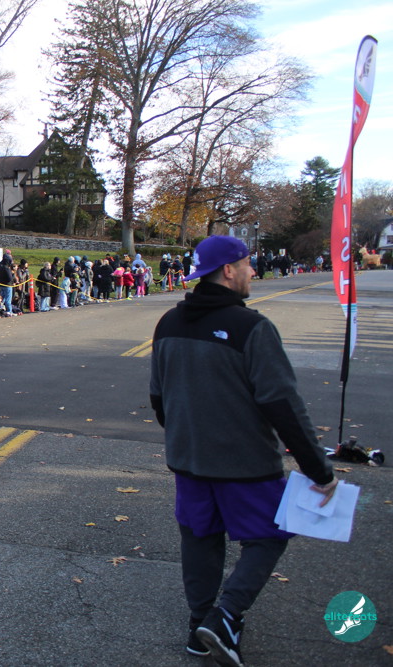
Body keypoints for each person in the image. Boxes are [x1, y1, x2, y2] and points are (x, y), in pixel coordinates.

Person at [149, 235, 336, 667]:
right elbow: (283, 405)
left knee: (200, 537)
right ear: (229, 270)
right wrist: (319, 470)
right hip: (245, 462)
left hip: (188, 458)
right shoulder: (253, 327)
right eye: (248, 264)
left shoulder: (168, 323)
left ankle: (199, 626)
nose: (253, 271)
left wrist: (186, 434)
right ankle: (225, 616)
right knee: (270, 535)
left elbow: (159, 399)